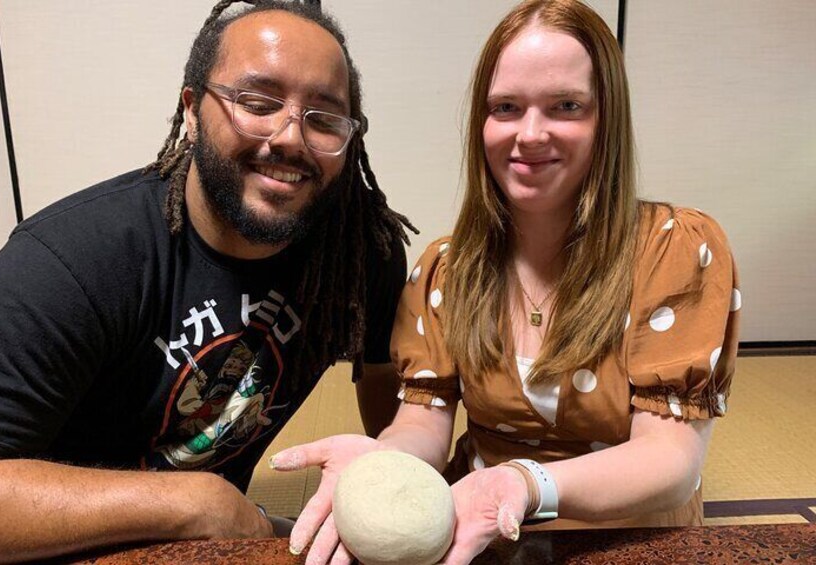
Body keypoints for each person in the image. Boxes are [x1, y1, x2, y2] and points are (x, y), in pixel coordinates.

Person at [270, 1, 741, 564]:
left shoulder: (674, 248)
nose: (531, 134)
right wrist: (383, 465)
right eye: (506, 108)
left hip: (629, 539)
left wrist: (525, 481)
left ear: (607, 118)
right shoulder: (449, 266)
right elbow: (424, 422)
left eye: (566, 106)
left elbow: (670, 459)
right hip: (482, 530)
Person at [0, 1, 414, 562]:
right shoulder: (70, 261)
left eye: (324, 118)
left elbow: (395, 417)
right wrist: (191, 502)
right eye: (257, 102)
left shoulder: (360, 253)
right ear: (192, 109)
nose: (290, 137)